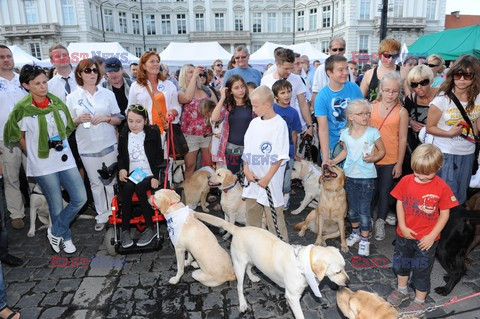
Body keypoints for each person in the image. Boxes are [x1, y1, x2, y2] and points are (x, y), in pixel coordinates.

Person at [4, 65, 87, 254]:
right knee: (55, 203)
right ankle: (65, 238)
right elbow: (18, 135)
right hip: (42, 163)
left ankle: (55, 231)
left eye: (44, 82)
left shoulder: (57, 103)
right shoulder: (22, 109)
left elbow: (66, 127)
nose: (43, 87)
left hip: (64, 158)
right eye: (37, 84)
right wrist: (33, 154)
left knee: (80, 198)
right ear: (26, 85)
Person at [387, 144, 458, 313]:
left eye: (426, 174)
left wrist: (432, 236)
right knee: (401, 264)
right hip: (404, 236)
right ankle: (402, 290)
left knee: (422, 270)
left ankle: (420, 300)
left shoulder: (441, 187)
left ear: (439, 167)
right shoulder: (406, 180)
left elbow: (445, 214)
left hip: (426, 240)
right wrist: (402, 226)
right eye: (417, 172)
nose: (420, 177)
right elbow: (399, 203)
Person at [66, 58, 123, 231]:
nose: (92, 74)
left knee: (111, 180)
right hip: (87, 146)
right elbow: (67, 124)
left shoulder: (108, 94)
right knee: (95, 182)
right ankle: (102, 214)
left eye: (94, 70)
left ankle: (115, 212)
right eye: (87, 71)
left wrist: (106, 118)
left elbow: (119, 118)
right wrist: (77, 120)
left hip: (108, 143)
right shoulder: (72, 97)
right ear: (79, 74)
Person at [329, 99, 385, 256]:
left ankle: (365, 240)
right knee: (352, 209)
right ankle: (355, 233)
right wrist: (333, 161)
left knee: (364, 210)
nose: (366, 116)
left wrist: (373, 158)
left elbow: (382, 151)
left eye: (368, 113)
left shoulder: (373, 132)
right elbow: (345, 152)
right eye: (361, 114)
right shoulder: (345, 134)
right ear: (351, 117)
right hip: (350, 176)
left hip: (366, 177)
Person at [425, 54, 480, 205]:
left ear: (474, 76)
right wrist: (448, 133)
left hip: (468, 153)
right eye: (458, 74)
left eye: (468, 75)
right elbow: (429, 128)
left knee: (461, 197)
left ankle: (454, 228)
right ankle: (442, 228)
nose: (462, 79)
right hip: (446, 153)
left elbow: (476, 125)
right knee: (446, 197)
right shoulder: (442, 99)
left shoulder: (478, 97)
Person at [242, 86, 290, 242]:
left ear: (267, 105)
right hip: (253, 180)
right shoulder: (254, 123)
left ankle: (283, 254)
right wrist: (246, 170)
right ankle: (255, 251)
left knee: (274, 219)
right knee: (252, 218)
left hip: (270, 182)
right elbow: (247, 150)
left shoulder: (279, 124)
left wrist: (267, 178)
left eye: (255, 106)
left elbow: (279, 156)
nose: (253, 109)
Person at [369, 72, 408, 240]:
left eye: (394, 91)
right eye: (387, 90)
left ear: (399, 91)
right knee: (370, 192)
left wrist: (399, 163)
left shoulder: (402, 112)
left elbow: (403, 138)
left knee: (385, 192)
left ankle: (380, 221)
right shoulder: (371, 107)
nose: (390, 94)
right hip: (371, 158)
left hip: (390, 158)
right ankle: (368, 220)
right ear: (381, 89)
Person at [117, 105, 163, 248]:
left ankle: (150, 228)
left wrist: (156, 176)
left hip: (148, 172)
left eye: (138, 121)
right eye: (130, 121)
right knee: (127, 187)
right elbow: (121, 156)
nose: (134, 125)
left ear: (145, 120)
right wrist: (122, 169)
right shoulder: (124, 133)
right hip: (134, 173)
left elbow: (158, 157)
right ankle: (125, 230)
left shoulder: (152, 133)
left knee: (140, 187)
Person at [314, 55, 364, 165]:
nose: (346, 72)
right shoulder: (322, 97)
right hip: (333, 148)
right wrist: (326, 158)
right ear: (329, 73)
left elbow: (364, 115)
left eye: (346, 68)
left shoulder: (354, 88)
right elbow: (323, 129)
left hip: (355, 145)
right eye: (340, 70)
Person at [0, 45, 28, 230]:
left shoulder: (24, 81)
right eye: (2, 57)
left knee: (36, 175)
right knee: (11, 178)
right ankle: (16, 214)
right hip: (5, 138)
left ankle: (42, 211)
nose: (6, 59)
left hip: (29, 136)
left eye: (8, 56)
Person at [261, 48, 313, 138]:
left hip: (294, 127)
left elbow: (303, 103)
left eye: (291, 68)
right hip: (273, 129)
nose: (289, 72)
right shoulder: (266, 80)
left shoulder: (297, 79)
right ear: (277, 64)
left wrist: (310, 125)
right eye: (286, 68)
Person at [178, 64, 217, 178]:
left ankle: (208, 192)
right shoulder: (181, 92)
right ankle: (189, 192)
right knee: (190, 166)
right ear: (184, 75)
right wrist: (195, 77)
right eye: (190, 72)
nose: (194, 73)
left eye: (194, 71)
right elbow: (187, 98)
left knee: (209, 165)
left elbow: (216, 109)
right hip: (190, 136)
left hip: (207, 134)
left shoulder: (207, 90)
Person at [128, 51, 181, 135]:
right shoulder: (135, 86)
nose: (156, 64)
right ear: (144, 66)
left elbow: (177, 106)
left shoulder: (169, 85)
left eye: (157, 61)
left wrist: (173, 112)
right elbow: (130, 109)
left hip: (166, 131)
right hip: (145, 132)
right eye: (152, 61)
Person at [211, 75, 254, 174]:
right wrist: (222, 98)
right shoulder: (227, 106)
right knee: (233, 176)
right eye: (236, 88)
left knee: (249, 176)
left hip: (249, 147)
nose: (241, 90)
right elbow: (214, 118)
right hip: (232, 147)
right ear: (230, 91)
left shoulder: (252, 104)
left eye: (242, 86)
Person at [272, 80, 302, 210]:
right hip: (273, 151)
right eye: (282, 92)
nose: (286, 95)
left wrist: (294, 153)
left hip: (288, 151)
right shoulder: (271, 109)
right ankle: (274, 199)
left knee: (286, 181)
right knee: (273, 178)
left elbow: (295, 134)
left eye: (288, 92)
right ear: (276, 96)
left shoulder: (294, 112)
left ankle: (286, 195)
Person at [403, 65, 438, 175]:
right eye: (414, 84)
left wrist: (430, 127)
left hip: (438, 145)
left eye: (423, 82)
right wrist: (410, 121)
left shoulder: (441, 96)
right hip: (416, 147)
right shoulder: (411, 99)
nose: (419, 87)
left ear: (431, 80)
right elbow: (404, 116)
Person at [311, 37, 355, 103]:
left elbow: (352, 90)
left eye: (341, 49)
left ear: (344, 50)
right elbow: (316, 92)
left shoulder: (348, 69)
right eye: (334, 49)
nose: (338, 52)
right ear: (329, 50)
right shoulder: (321, 69)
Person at [361, 37, 401, 102]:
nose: (390, 59)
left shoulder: (403, 72)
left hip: (396, 111)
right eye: (387, 55)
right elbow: (360, 99)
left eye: (394, 56)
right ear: (380, 54)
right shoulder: (369, 74)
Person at [102, 57, 132, 123]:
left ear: (122, 70)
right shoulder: (102, 88)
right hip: (112, 127)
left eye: (116, 71)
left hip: (132, 126)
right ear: (106, 73)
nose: (113, 75)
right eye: (110, 72)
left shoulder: (132, 85)